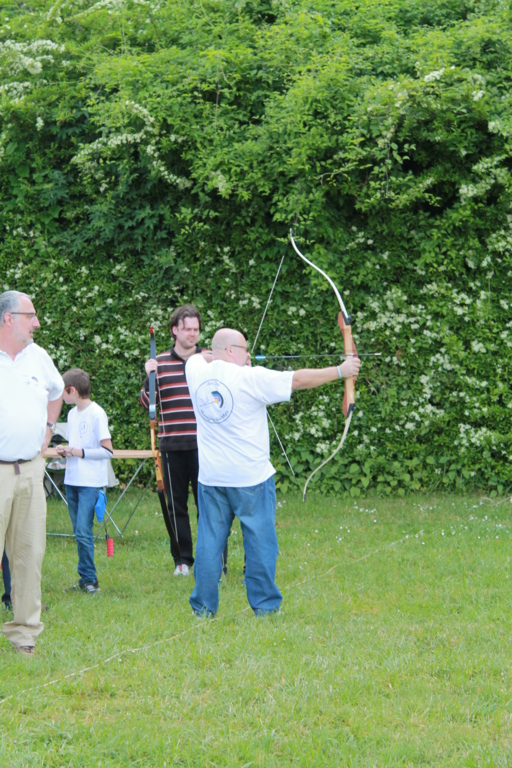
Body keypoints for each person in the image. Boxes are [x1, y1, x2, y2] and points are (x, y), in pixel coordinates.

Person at [186, 328, 361, 617]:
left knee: (209, 543)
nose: (249, 354)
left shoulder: (194, 371)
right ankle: (266, 608)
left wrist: (227, 359)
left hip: (211, 478)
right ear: (230, 351)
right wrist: (342, 370)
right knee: (260, 543)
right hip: (250, 479)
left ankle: (203, 610)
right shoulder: (251, 378)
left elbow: (201, 357)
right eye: (244, 349)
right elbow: (298, 380)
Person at [141, 305, 227, 577]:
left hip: (206, 445)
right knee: (175, 505)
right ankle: (183, 561)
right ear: (174, 330)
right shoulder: (160, 363)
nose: (192, 334)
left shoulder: (210, 360)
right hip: (171, 446)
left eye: (196, 329)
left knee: (211, 506)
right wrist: (148, 376)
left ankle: (215, 561)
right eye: (187, 329)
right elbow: (147, 404)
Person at [0, 290, 64, 655]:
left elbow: (57, 392)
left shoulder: (38, 356)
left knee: (28, 554)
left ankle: (24, 635)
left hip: (30, 471)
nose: (37, 323)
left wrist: (49, 429)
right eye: (31, 316)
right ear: (8, 318)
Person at [55, 368, 113, 594]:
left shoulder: (97, 413)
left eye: (63, 391)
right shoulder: (71, 415)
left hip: (90, 482)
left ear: (72, 390)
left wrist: (77, 452)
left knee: (83, 531)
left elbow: (107, 451)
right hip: (72, 480)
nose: (61, 396)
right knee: (79, 532)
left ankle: (91, 581)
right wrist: (66, 450)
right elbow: (76, 446)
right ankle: (85, 579)